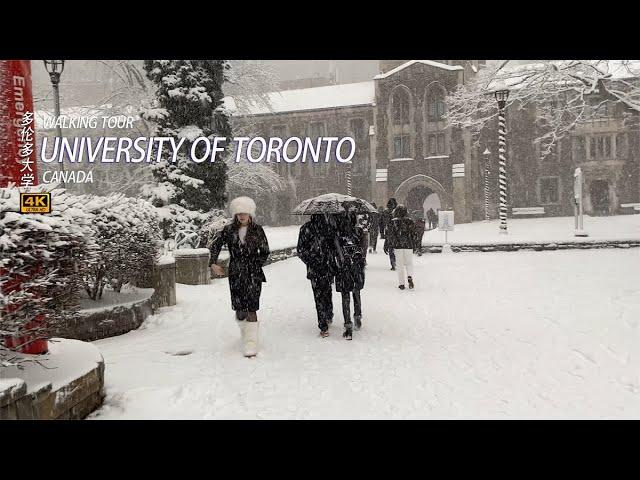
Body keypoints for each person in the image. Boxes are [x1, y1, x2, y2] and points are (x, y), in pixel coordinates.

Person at [209, 196, 270, 357]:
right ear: (235, 215)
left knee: (252, 307)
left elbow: (265, 251)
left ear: (250, 214)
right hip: (235, 273)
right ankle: (246, 333)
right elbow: (215, 245)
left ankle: (251, 343)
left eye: (245, 213)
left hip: (253, 274)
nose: (242, 216)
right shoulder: (228, 230)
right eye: (239, 213)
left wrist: (255, 264)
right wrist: (213, 262)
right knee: (239, 309)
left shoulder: (257, 230)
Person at [297, 214, 337, 337]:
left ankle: (324, 322)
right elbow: (334, 247)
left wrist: (311, 261)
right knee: (325, 292)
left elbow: (301, 250)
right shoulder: (328, 227)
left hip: (317, 267)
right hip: (325, 266)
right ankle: (326, 318)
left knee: (319, 295)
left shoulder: (307, 228)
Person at [333, 210, 366, 340]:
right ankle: (357, 316)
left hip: (343, 267)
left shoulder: (337, 234)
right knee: (356, 292)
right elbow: (363, 250)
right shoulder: (358, 232)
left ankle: (348, 324)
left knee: (345, 296)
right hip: (356, 266)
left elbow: (335, 251)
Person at [384, 204, 416, 290]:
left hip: (398, 245)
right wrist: (414, 245)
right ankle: (409, 276)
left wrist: (388, 244)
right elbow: (414, 234)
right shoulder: (410, 221)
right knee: (409, 263)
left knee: (400, 265)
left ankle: (401, 283)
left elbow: (390, 235)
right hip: (408, 245)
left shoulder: (393, 222)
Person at [382, 198, 398, 270]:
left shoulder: (386, 212)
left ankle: (393, 262)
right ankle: (396, 261)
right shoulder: (398, 211)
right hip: (397, 232)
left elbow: (382, 223)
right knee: (396, 248)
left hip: (390, 232)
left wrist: (383, 233)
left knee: (391, 248)